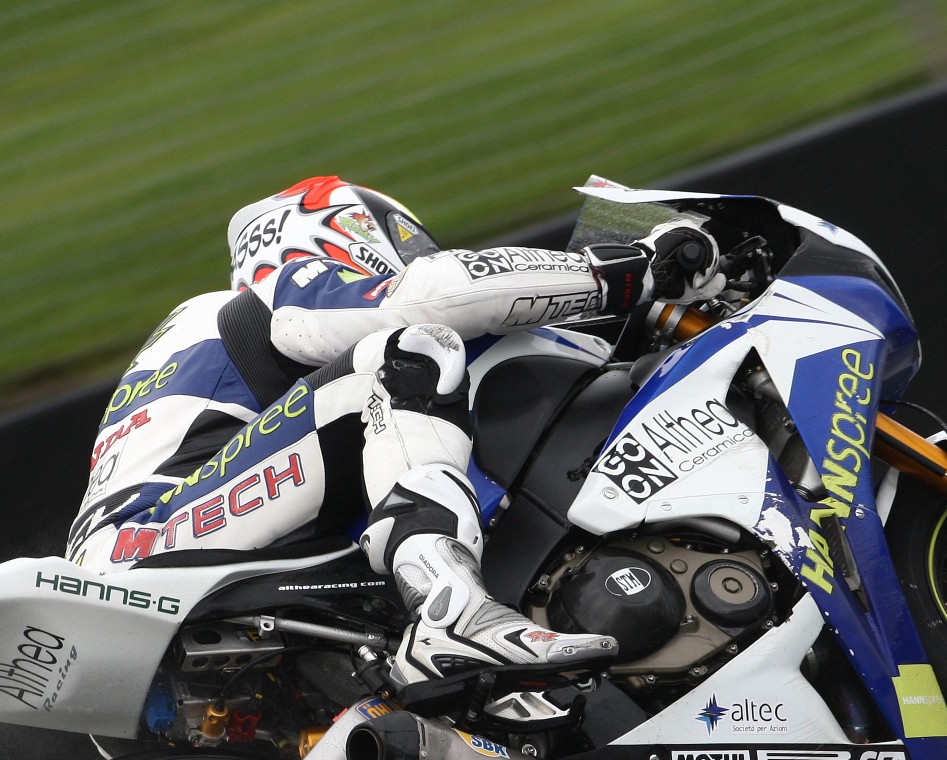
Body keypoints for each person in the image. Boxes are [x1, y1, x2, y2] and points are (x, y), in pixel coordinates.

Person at [67, 175, 722, 686]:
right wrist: (634, 270)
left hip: (153, 550)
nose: (418, 257)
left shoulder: (217, 353)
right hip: (145, 545)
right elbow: (425, 299)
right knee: (411, 352)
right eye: (408, 246)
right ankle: (453, 611)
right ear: (342, 231)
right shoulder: (275, 293)